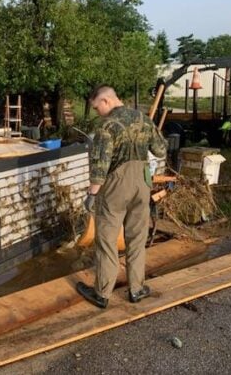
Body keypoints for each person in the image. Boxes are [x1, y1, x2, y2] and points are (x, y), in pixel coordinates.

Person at [76, 85, 167, 309]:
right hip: (142, 183)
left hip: (117, 185)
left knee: (106, 240)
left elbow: (100, 166)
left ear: (106, 101)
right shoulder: (143, 119)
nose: (97, 112)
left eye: (97, 107)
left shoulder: (107, 126)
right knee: (136, 238)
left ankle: (102, 293)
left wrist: (91, 195)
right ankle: (136, 289)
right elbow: (161, 150)